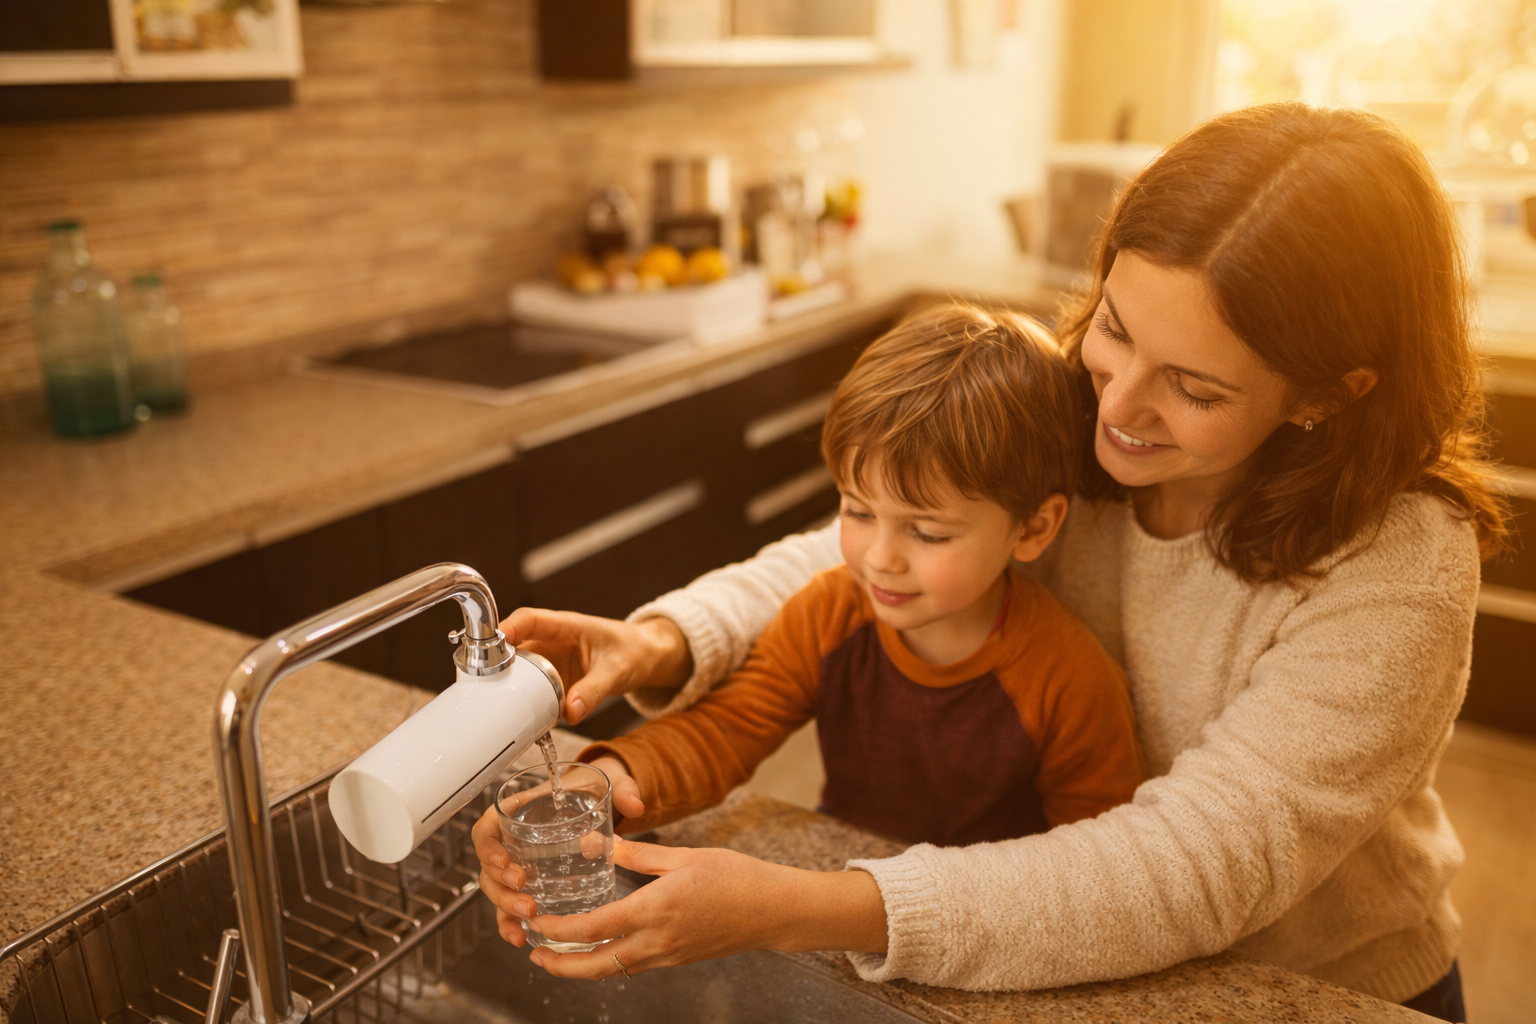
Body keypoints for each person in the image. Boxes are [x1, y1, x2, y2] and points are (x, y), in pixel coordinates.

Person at [472, 103, 1510, 1022]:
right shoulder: (1079, 412)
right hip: (1066, 958)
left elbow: (1196, 868)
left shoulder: (1399, 564)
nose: (1116, 406)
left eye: (1193, 387)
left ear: (1328, 394)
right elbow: (871, 553)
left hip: (1311, 991)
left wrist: (800, 906)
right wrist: (661, 639)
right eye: (1113, 328)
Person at [575, 305, 1145, 848]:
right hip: (847, 864)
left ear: (1033, 528)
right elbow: (723, 730)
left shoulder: (1071, 680)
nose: (880, 558)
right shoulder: (829, 613)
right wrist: (619, 774)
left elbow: (1096, 856)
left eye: (928, 533)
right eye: (857, 511)